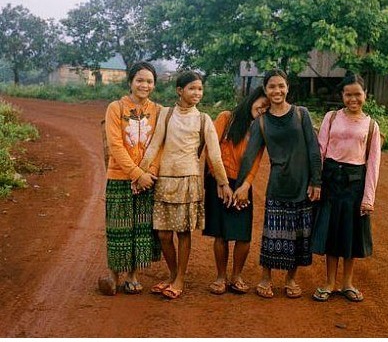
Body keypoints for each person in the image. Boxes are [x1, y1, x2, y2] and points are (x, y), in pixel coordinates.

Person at [138, 71, 233, 300]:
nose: (197, 93)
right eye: (192, 88)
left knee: (183, 233)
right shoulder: (166, 114)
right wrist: (139, 172)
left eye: (200, 89)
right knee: (162, 233)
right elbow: (153, 146)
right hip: (165, 180)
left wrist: (224, 183)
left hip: (189, 181)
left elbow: (215, 155)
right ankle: (172, 275)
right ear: (179, 90)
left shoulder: (203, 119)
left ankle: (180, 278)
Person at [235, 69, 322, 299]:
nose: (277, 90)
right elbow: (250, 155)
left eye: (281, 86)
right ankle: (266, 278)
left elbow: (314, 149)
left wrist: (316, 181)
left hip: (303, 185)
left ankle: (290, 279)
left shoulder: (301, 114)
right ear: (265, 90)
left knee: (298, 235)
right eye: (272, 86)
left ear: (288, 87)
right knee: (273, 234)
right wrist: (241, 185)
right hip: (277, 186)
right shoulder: (261, 123)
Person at [311, 73, 382, 302]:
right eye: (348, 94)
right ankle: (329, 283)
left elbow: (373, 164)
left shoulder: (371, 126)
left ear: (365, 95)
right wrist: (317, 182)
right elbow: (320, 151)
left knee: (350, 235)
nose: (353, 99)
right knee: (332, 233)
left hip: (355, 183)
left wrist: (368, 197)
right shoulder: (331, 118)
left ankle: (347, 283)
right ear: (342, 95)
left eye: (357, 94)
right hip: (331, 181)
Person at [98, 61, 162, 296]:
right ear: (130, 82)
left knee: (141, 229)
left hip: (148, 179)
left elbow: (159, 144)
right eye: (140, 80)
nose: (144, 85)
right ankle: (113, 276)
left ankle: (132, 275)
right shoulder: (116, 108)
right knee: (119, 228)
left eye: (149, 81)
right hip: (120, 178)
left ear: (154, 85)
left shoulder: (158, 110)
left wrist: (149, 173)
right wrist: (137, 174)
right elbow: (115, 145)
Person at [203, 86, 270, 295]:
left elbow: (257, 159)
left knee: (243, 235)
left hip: (242, 186)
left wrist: (246, 185)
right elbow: (211, 150)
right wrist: (221, 182)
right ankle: (221, 277)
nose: (263, 109)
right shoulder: (227, 118)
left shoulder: (261, 128)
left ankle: (236, 276)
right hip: (219, 182)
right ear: (252, 99)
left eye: (268, 107)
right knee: (221, 234)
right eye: (262, 103)